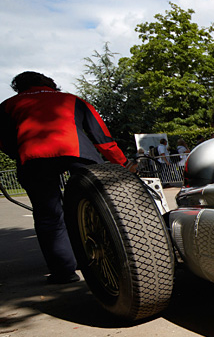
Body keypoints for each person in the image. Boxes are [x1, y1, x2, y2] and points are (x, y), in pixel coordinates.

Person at [0, 71, 127, 283]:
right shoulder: (71, 99)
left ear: (18, 87)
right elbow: (102, 137)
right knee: (101, 206)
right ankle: (119, 255)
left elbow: (4, 141)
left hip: (33, 158)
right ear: (49, 83)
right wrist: (121, 163)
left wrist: (19, 154)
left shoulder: (7, 105)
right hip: (79, 152)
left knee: (48, 215)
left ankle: (63, 271)